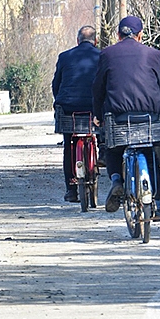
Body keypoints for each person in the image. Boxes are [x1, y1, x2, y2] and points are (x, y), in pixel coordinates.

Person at [92, 16, 160, 220]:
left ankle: (117, 180)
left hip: (118, 117)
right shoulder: (153, 54)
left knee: (113, 147)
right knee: (150, 153)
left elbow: (98, 89)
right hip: (148, 118)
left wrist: (98, 116)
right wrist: (158, 107)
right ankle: (157, 201)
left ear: (118, 35)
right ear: (140, 35)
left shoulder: (107, 54)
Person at [51, 25, 100, 202]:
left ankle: (70, 190)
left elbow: (56, 84)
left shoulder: (64, 56)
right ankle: (100, 153)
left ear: (77, 40)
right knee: (100, 133)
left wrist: (60, 100)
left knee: (68, 145)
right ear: (95, 41)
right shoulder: (102, 56)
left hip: (68, 108)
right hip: (93, 108)